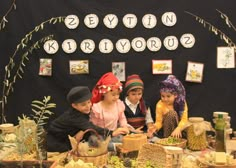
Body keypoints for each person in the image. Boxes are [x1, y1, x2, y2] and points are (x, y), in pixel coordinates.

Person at [47, 86, 128, 152]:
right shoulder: (74, 116)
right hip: (57, 142)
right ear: (74, 106)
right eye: (83, 104)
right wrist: (112, 133)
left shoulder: (82, 112)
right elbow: (91, 127)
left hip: (71, 136)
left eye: (89, 102)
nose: (88, 106)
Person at [90, 72, 130, 150]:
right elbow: (93, 127)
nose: (116, 97)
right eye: (113, 95)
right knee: (94, 141)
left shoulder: (118, 104)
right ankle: (113, 147)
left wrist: (124, 127)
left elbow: (122, 118)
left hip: (114, 134)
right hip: (100, 135)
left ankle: (114, 146)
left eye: (118, 94)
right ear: (104, 93)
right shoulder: (97, 108)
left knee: (124, 140)